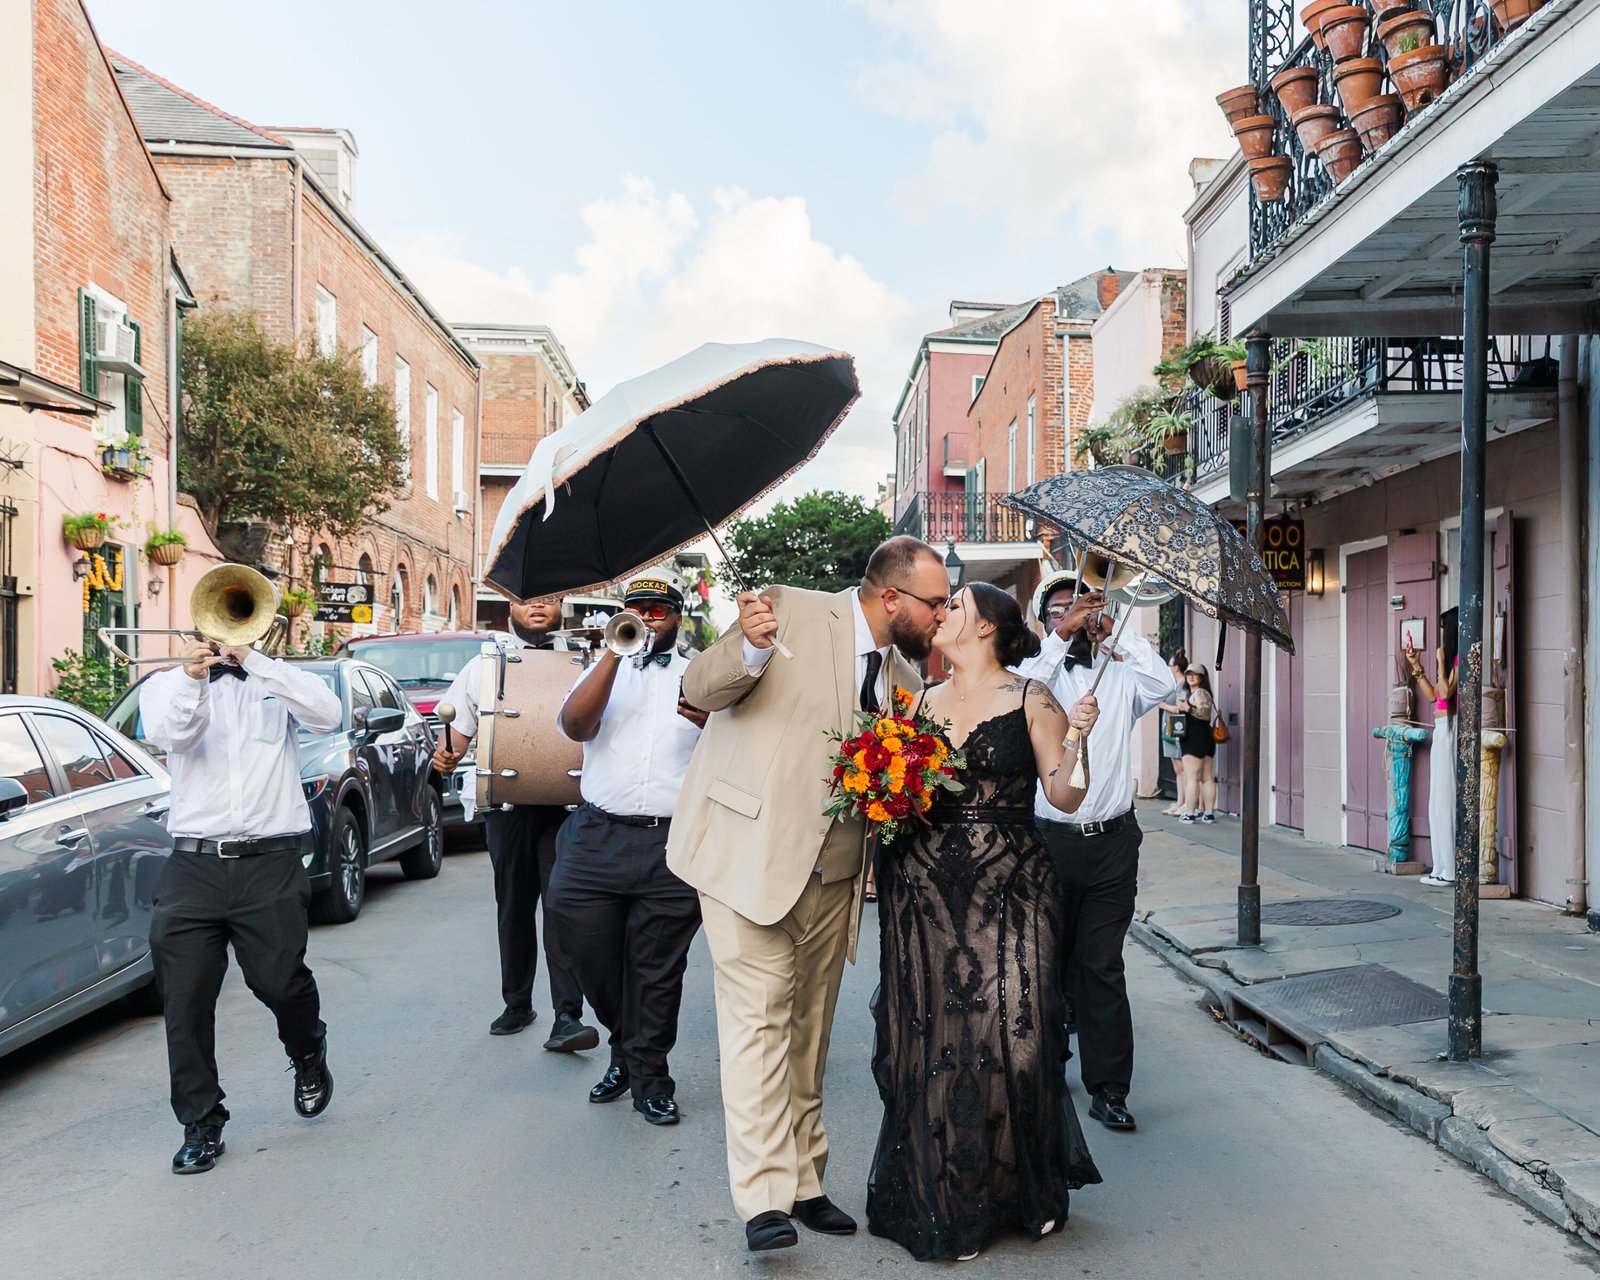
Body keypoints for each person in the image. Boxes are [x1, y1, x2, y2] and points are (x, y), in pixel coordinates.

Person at [668, 535, 946, 1254]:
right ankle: (762, 1198)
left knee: (809, 1031)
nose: (943, 615)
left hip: (836, 877)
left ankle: (804, 1180)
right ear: (893, 597)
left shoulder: (902, 677)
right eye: (936, 602)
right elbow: (698, 690)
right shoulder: (786, 611)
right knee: (758, 1022)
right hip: (746, 858)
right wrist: (751, 650)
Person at [869, 583, 1102, 1262]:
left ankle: (1015, 1188)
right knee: (934, 1037)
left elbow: (1063, 792)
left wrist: (1080, 739)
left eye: (956, 606)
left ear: (988, 627)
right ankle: (946, 1196)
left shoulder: (1033, 698)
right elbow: (897, 791)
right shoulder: (915, 700)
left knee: (1012, 1039)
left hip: (1012, 888)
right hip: (925, 890)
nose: (941, 614)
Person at [141, 630, 343, 1175]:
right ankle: (202, 1123)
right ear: (194, 627)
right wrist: (193, 679)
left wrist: (256, 662)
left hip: (270, 862)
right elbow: (170, 735)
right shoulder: (165, 686)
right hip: (193, 864)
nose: (220, 634)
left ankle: (307, 1051)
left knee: (278, 982)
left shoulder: (277, 683)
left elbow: (329, 715)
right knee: (184, 1001)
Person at [1015, 570, 1175, 1135]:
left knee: (1102, 965)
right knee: (1048, 963)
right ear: (1045, 620)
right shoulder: (1039, 680)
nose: (1075, 614)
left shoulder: (1122, 677)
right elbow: (1015, 694)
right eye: (1060, 608)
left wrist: (1116, 634)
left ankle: (1109, 1089)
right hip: (1047, 841)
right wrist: (1062, 637)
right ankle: (1048, 1068)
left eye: (1082, 605)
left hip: (1112, 842)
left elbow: (1166, 687)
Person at [552, 575, 706, 1127]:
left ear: (677, 618)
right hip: (597, 835)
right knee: (588, 953)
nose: (648, 618)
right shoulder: (601, 668)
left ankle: (649, 1076)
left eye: (659, 610)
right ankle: (625, 1045)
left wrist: (709, 721)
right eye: (637, 611)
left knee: (657, 970)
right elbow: (574, 725)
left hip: (673, 840)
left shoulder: (699, 675)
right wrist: (615, 655)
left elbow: (733, 743)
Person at [430, 595, 598, 1049]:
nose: (538, 608)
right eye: (529, 602)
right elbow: (457, 736)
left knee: (561, 907)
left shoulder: (584, 661)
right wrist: (446, 757)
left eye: (549, 600)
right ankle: (518, 1002)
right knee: (514, 906)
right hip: (507, 807)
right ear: (512, 610)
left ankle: (568, 1015)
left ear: (562, 606)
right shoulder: (484, 665)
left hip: (566, 806)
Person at [1408, 607, 1459, 887]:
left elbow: (1447, 692)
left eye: (1443, 629)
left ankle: (1450, 869)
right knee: (1435, 801)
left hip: (1451, 727)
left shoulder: (1461, 658)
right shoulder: (1451, 659)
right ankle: (1440, 865)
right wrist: (1417, 666)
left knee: (1445, 798)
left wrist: (1441, 662)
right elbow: (1433, 696)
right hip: (1441, 728)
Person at [1176, 663, 1218, 823]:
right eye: (1189, 674)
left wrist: (1187, 709)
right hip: (1205, 738)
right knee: (1207, 777)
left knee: (1192, 777)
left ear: (1202, 677)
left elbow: (1204, 714)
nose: (1191, 677)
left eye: (1195, 674)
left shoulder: (1200, 693)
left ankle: (1190, 813)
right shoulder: (1197, 693)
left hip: (1194, 739)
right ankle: (1208, 813)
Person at [1158, 649, 1191, 817]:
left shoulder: (1182, 685)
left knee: (1181, 767)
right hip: (1169, 726)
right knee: (1177, 768)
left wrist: (1165, 706)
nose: (1168, 667)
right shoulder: (1172, 683)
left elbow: (1179, 707)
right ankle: (1180, 801)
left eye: (1169, 665)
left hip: (1177, 726)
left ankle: (1186, 802)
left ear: (1176, 667)